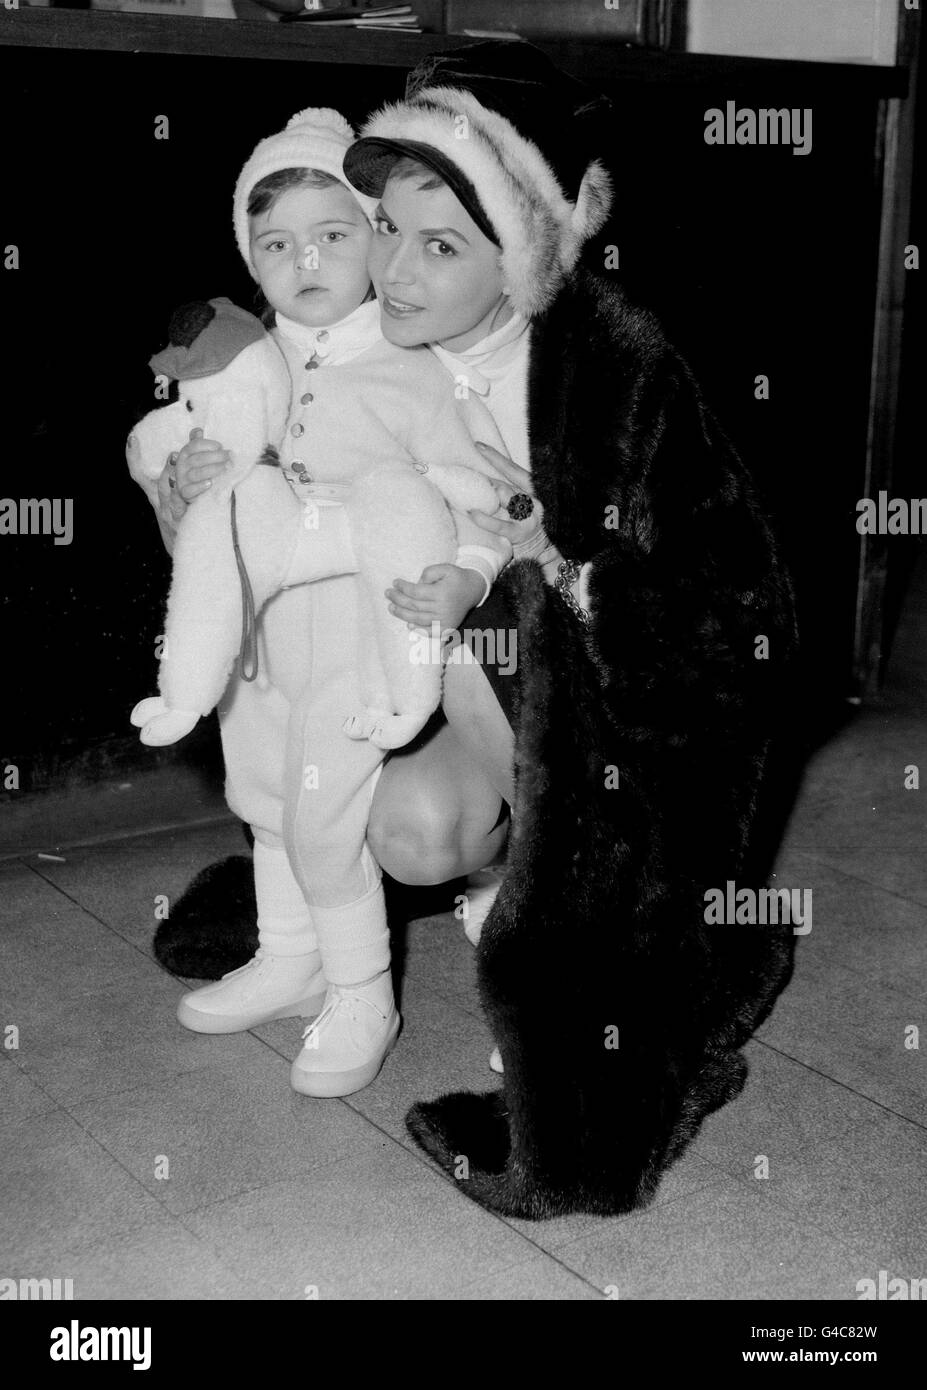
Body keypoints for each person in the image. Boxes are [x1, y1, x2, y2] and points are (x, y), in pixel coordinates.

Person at [166, 42, 798, 1218]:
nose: (392, 271)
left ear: (526, 254)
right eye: (385, 228)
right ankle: (374, 893)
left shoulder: (602, 368)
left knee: (532, 775)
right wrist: (198, 479)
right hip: (424, 682)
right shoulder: (342, 338)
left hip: (596, 724)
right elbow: (248, 525)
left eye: (441, 244)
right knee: (408, 830)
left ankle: (573, 945)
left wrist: (544, 555)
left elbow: (729, 603)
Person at [140, 106, 515, 1097]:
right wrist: (186, 480)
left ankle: (362, 991)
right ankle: (290, 954)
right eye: (276, 244)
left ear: (372, 240)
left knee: (322, 818)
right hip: (260, 646)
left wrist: (465, 566)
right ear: (249, 257)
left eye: (333, 234)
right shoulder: (242, 362)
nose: (305, 260)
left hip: (359, 642)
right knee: (263, 801)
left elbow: (481, 495)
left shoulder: (414, 367)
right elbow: (192, 512)